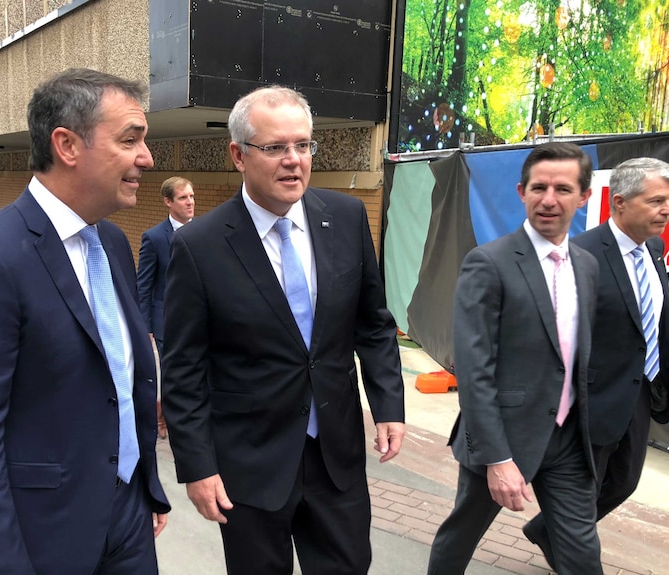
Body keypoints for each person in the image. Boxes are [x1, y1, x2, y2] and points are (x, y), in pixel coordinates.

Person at [0, 68, 170, 574]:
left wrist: (143, 486)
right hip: (39, 535)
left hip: (127, 516)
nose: (146, 158)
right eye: (130, 140)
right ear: (67, 144)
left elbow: (119, 382)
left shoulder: (112, 244)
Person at [161, 85, 406, 575]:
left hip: (335, 457)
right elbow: (184, 368)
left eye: (303, 145)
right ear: (238, 155)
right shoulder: (199, 246)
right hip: (250, 467)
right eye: (275, 148)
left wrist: (388, 405)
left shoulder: (347, 217)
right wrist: (197, 466)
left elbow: (374, 324)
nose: (293, 160)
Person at [426, 142, 602, 575]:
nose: (548, 199)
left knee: (582, 555)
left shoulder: (587, 266)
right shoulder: (488, 263)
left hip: (566, 439)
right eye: (538, 187)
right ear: (521, 192)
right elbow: (474, 368)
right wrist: (497, 458)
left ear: (584, 196)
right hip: (503, 438)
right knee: (459, 538)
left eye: (563, 188)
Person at [522, 157, 669, 569]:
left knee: (623, 482)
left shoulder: (654, 250)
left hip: (638, 392)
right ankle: (569, 548)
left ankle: (547, 530)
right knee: (582, 494)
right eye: (656, 200)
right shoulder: (580, 254)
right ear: (619, 202)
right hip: (591, 398)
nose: (666, 209)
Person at [137, 176, 194, 438]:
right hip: (166, 321)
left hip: (199, 318)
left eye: (192, 196)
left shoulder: (205, 231)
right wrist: (146, 325)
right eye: (183, 197)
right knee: (171, 375)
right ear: (168, 202)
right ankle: (166, 420)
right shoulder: (154, 238)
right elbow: (144, 285)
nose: (190, 202)